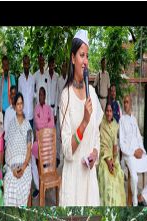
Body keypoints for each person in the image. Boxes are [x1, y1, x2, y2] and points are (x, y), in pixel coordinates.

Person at [58, 30, 103, 205]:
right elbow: (68, 151)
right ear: (72, 58)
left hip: (89, 181)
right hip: (74, 181)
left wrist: (95, 153)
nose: (85, 61)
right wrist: (84, 122)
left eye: (87, 56)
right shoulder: (66, 96)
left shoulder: (92, 93)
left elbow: (96, 135)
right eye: (81, 55)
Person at [119, 95, 147, 206]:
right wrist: (133, 152)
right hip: (129, 154)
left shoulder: (134, 119)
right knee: (134, 177)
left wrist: (141, 150)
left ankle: (143, 196)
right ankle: (134, 202)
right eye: (124, 102)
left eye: (127, 102)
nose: (125, 104)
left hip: (139, 152)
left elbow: (139, 137)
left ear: (131, 104)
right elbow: (121, 144)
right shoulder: (122, 120)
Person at [4, 93, 33, 206]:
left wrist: (23, 166)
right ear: (14, 106)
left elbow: (29, 148)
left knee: (22, 184)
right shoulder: (11, 125)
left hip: (25, 165)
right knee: (9, 183)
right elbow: (8, 149)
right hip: (12, 166)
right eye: (18, 104)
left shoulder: (28, 127)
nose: (20, 106)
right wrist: (13, 168)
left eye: (21, 104)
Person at [98, 98, 127, 205]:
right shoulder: (102, 124)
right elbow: (101, 146)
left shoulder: (115, 124)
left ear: (113, 112)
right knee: (107, 177)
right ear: (105, 112)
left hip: (113, 157)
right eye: (107, 111)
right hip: (104, 158)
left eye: (110, 111)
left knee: (118, 174)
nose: (109, 113)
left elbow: (115, 146)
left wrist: (114, 161)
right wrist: (108, 161)